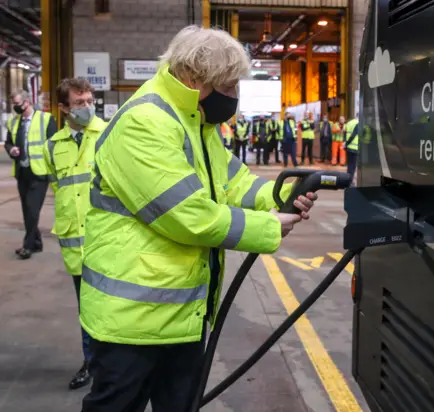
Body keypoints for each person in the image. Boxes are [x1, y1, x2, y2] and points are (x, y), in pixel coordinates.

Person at [79, 25, 318, 412]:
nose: (234, 96)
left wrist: (281, 195)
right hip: (133, 319)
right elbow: (188, 217)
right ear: (193, 79)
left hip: (181, 315)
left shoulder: (197, 121)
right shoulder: (146, 122)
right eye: (227, 86)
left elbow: (232, 180)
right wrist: (269, 226)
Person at [43, 78, 106, 390]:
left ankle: (115, 366)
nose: (87, 107)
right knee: (87, 311)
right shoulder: (54, 146)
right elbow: (59, 187)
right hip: (76, 245)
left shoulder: (109, 134)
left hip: (109, 240)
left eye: (89, 100)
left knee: (115, 307)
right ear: (64, 108)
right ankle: (91, 363)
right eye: (79, 103)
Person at [4, 90, 57, 259]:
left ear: (27, 102)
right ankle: (37, 242)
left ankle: (27, 246)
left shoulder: (45, 119)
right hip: (22, 172)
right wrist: (11, 149)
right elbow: (8, 143)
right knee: (27, 210)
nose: (16, 108)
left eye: (18, 104)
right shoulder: (13, 122)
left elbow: (54, 144)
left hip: (40, 173)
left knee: (32, 210)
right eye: (14, 105)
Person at [343, 116, 359, 186]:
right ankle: (350, 182)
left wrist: (345, 143)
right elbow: (353, 135)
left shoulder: (348, 123)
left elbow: (344, 133)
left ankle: (347, 181)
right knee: (353, 166)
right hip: (355, 148)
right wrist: (347, 143)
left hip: (349, 148)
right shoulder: (358, 123)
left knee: (349, 165)